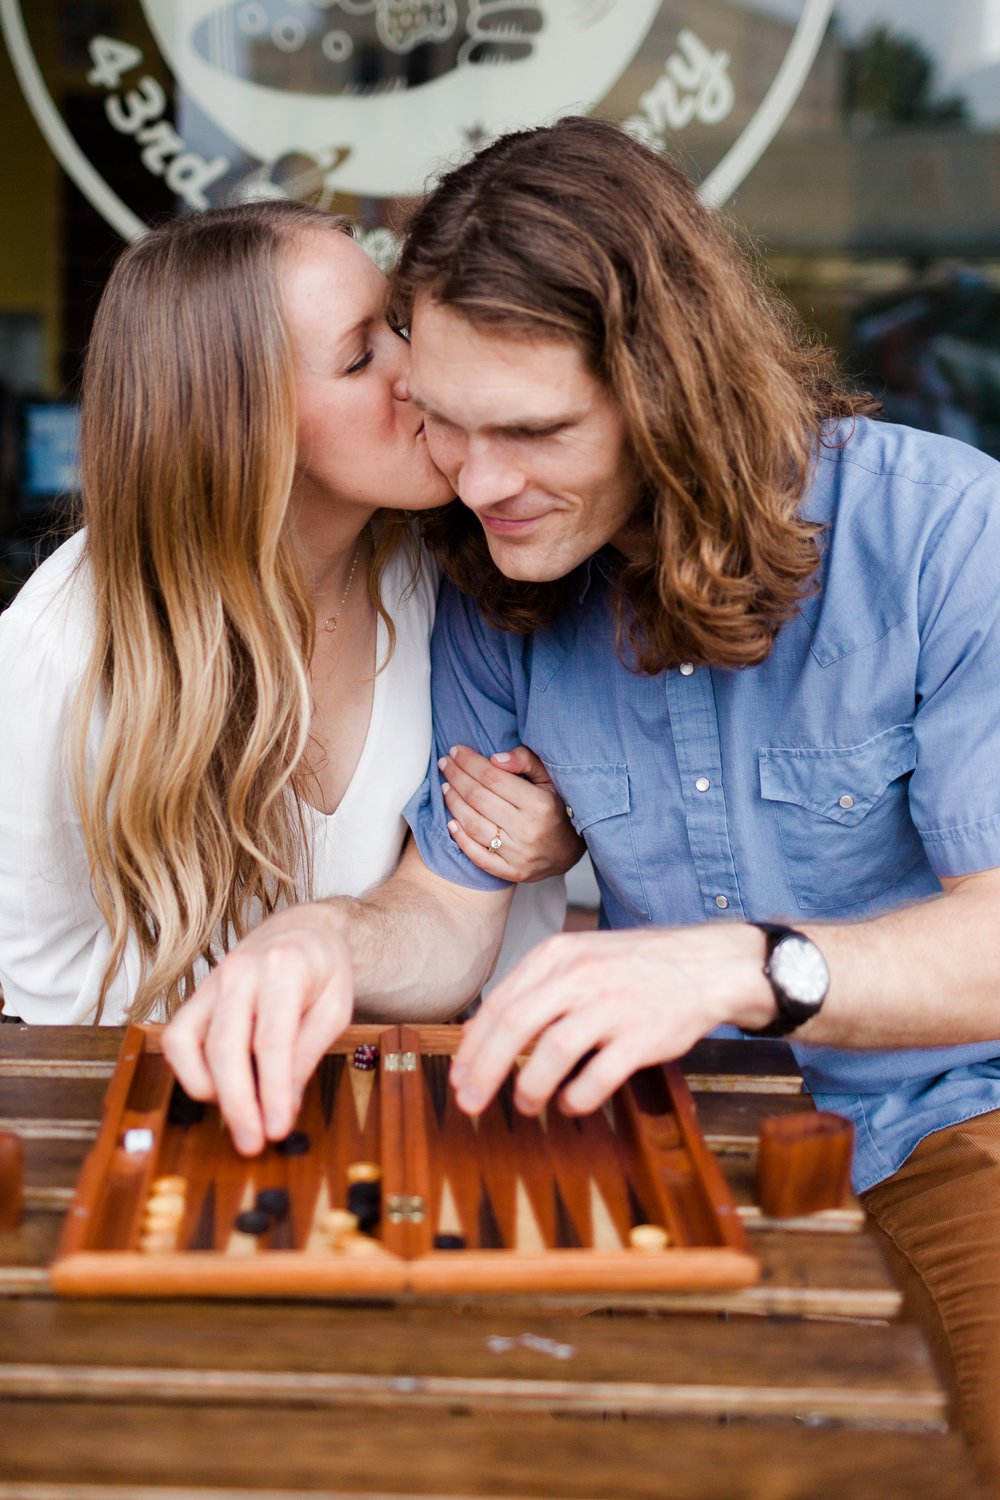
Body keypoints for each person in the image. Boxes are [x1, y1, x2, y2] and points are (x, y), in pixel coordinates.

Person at [163, 122, 1000, 1484]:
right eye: (444, 421)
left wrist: (745, 967)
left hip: (953, 1125)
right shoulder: (502, 571)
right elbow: (443, 907)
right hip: (656, 1148)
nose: (476, 482)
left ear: (671, 387)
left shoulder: (945, 532)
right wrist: (321, 939)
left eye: (536, 430)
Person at [0, 199, 581, 1030]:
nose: (419, 373)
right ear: (240, 428)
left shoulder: (466, 562)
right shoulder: (63, 645)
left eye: (400, 325)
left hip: (453, 1104)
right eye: (358, 359)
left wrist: (562, 828)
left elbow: (483, 908)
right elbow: (49, 982)